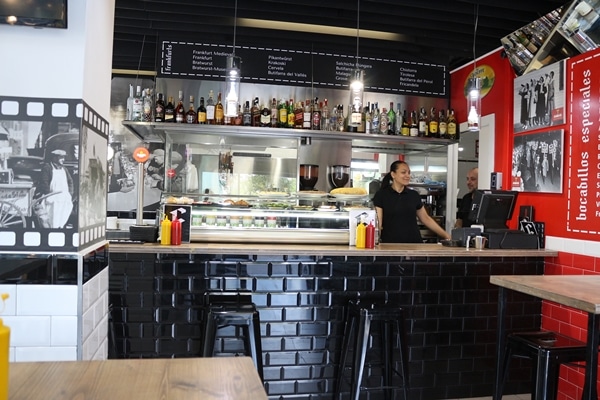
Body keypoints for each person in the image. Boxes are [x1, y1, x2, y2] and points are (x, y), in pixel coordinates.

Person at [372, 160, 450, 243]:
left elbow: (426, 219)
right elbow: (378, 223)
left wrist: (446, 235)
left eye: (409, 173)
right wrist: (375, 241)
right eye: (403, 172)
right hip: (391, 244)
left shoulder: (413, 195)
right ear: (393, 174)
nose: (407, 176)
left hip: (414, 244)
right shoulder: (381, 195)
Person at [36, 149, 74, 229]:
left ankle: (60, 227)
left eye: (63, 157)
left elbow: (70, 182)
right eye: (61, 157)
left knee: (62, 216)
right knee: (52, 217)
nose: (63, 159)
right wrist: (49, 195)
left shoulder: (64, 169)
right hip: (52, 197)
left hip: (64, 199)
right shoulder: (47, 168)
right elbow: (44, 182)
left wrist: (70, 193)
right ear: (54, 158)